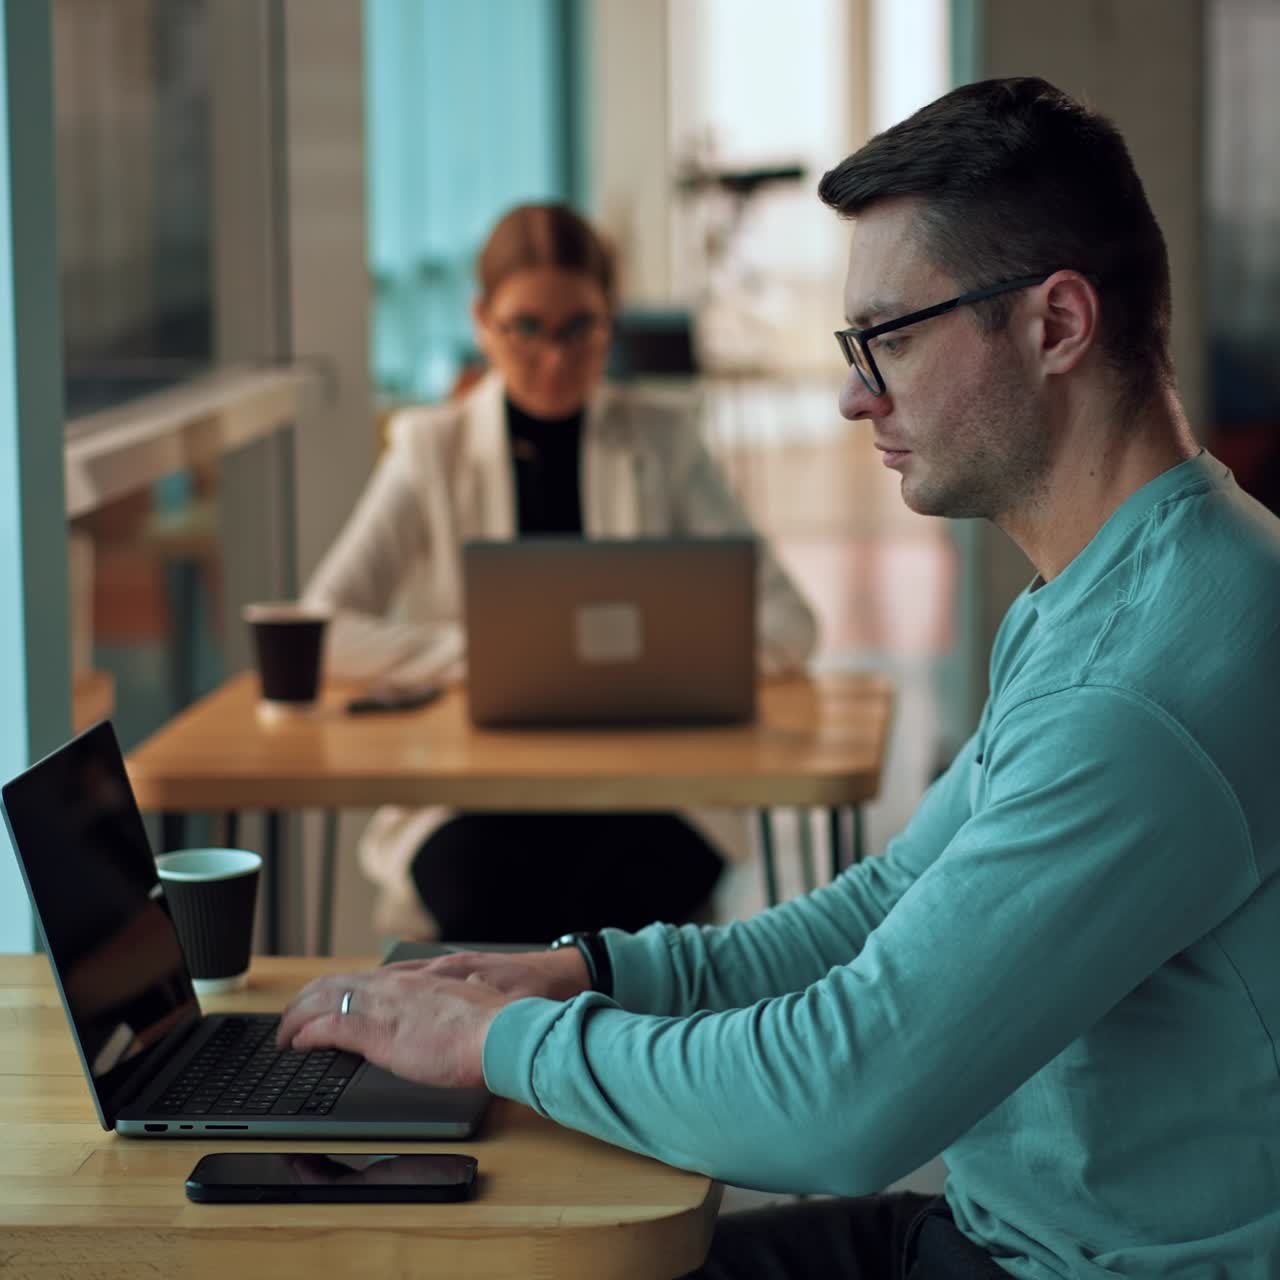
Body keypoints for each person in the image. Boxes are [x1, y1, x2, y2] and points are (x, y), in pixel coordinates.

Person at [279, 78, 1280, 1278]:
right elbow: (889, 901)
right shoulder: (1121, 585)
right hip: (1005, 1233)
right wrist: (592, 969)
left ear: (1056, 325)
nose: (855, 393)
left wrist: (501, 1040)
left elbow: (839, 1097)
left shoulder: (1136, 691)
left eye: (890, 338)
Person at [304, 202, 818, 942]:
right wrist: (486, 659)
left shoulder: (664, 443)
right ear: (483, 321)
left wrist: (648, 663)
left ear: (609, 320)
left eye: (581, 328)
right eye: (527, 328)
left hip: (651, 790)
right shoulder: (431, 450)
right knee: (488, 890)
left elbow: (791, 626)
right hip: (470, 794)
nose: (554, 356)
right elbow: (321, 629)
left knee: (619, 908)